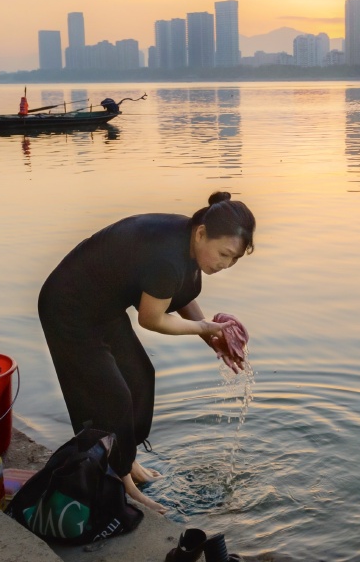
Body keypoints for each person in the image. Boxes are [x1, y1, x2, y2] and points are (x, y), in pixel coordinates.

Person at [37, 191, 256, 514]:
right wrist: (207, 328)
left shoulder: (187, 245)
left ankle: (126, 461)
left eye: (233, 259)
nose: (225, 265)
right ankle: (120, 482)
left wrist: (212, 338)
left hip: (104, 307)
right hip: (68, 309)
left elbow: (175, 297)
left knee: (140, 378)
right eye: (224, 254)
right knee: (112, 397)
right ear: (201, 233)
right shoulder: (167, 255)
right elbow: (151, 318)